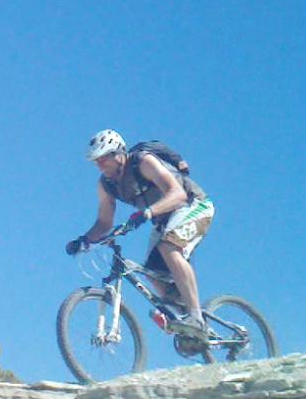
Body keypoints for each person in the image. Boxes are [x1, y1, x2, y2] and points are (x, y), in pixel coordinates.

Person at [65, 129, 216, 338]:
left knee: (169, 247)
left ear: (118, 153)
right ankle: (188, 323)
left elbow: (178, 194)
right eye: (95, 161)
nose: (99, 165)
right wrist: (83, 241)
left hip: (193, 205)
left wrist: (147, 212)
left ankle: (195, 316)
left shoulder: (143, 162)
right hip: (163, 219)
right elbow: (104, 222)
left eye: (103, 159)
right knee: (152, 272)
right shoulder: (106, 184)